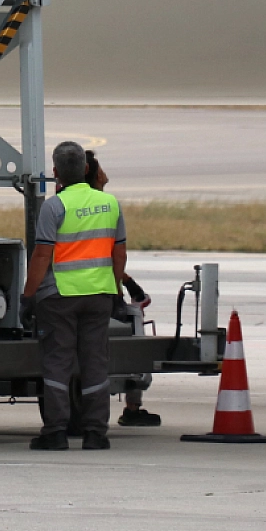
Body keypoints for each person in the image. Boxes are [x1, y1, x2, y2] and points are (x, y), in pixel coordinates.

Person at [23, 141, 129, 449]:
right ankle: (96, 432)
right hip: (99, 294)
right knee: (95, 362)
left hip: (59, 296)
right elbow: (119, 254)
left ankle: (56, 431)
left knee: (58, 363)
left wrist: (28, 296)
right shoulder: (110, 204)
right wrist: (117, 290)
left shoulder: (54, 207)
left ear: (55, 173)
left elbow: (42, 255)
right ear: (86, 169)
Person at [84, 150, 159, 427]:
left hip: (83, 286)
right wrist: (121, 286)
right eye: (101, 170)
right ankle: (131, 406)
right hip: (97, 289)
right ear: (91, 173)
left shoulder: (68, 205)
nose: (107, 176)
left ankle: (130, 405)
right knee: (132, 323)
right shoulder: (104, 206)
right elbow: (110, 254)